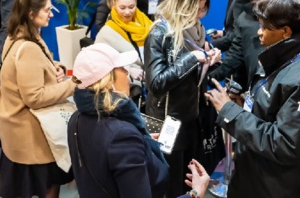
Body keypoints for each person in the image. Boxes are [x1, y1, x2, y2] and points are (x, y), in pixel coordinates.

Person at [205, 0, 300, 198]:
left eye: (265, 27)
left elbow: (285, 144)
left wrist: (230, 112)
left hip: (281, 187)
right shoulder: (284, 56)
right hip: (259, 177)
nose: (259, 32)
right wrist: (246, 105)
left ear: (285, 31)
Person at [69, 43, 210, 198]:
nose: (126, 72)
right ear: (108, 80)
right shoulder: (122, 136)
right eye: (121, 68)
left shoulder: (76, 119)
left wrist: (142, 143)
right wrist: (195, 193)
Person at [0, 0, 75, 198]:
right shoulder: (28, 45)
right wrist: (74, 84)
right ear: (32, 14)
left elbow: (38, 63)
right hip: (29, 133)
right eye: (47, 10)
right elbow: (35, 98)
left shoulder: (17, 36)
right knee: (48, 186)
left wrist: (56, 67)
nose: (51, 14)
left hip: (16, 129)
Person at [145, 0, 221, 197]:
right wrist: (191, 59)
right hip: (167, 120)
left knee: (190, 179)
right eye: (196, 9)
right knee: (170, 183)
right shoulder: (159, 33)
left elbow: (196, 72)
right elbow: (156, 83)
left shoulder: (197, 29)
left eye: (203, 8)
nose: (200, 14)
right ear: (181, 6)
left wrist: (212, 58)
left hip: (192, 118)